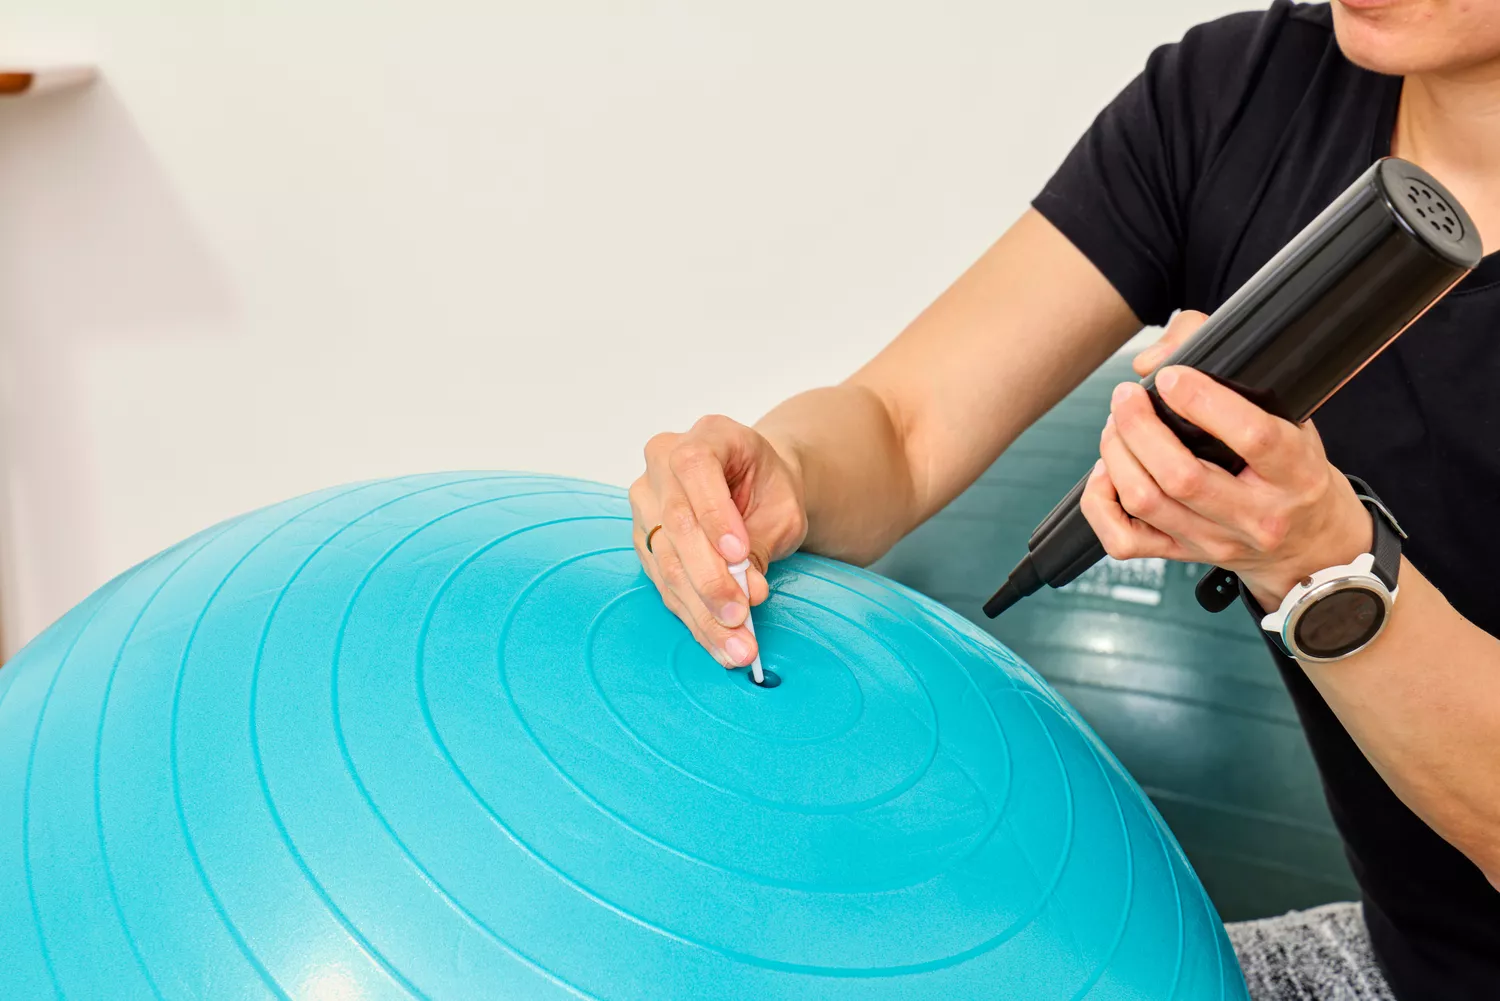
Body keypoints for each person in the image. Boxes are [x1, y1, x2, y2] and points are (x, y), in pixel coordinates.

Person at [627, 1, 1500, 997]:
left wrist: (1320, 565)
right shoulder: (1248, 93)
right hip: (1408, 962)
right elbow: (903, 425)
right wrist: (782, 466)